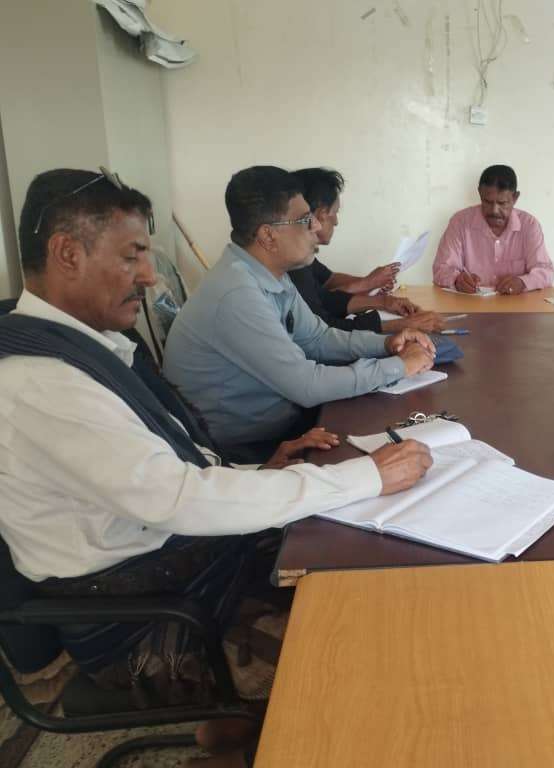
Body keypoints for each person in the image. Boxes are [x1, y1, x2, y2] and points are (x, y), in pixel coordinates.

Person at [0, 168, 433, 764]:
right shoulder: (41, 384)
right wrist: (366, 475)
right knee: (360, 652)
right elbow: (178, 498)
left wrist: (263, 475)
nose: (150, 276)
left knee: (371, 575)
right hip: (149, 621)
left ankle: (237, 733)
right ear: (67, 253)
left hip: (186, 568)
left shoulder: (85, 348)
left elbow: (167, 475)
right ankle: (243, 736)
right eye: (132, 256)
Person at [163, 166, 436, 461]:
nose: (317, 226)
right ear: (268, 236)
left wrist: (387, 344)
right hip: (246, 450)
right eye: (306, 220)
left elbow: (318, 339)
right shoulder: (236, 294)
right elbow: (307, 385)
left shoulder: (272, 275)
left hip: (284, 422)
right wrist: (399, 367)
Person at [289, 167, 444, 333]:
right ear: (321, 214)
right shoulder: (292, 263)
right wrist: (400, 325)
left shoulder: (302, 256)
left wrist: (382, 300)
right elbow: (324, 330)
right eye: (335, 212)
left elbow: (325, 296)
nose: (336, 222)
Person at [432, 164, 554, 294]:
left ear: (515, 198)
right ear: (480, 193)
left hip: (515, 304)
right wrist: (456, 279)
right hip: (470, 303)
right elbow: (441, 269)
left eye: (502, 203)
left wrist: (523, 282)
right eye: (488, 202)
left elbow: (545, 271)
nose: (494, 210)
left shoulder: (529, 225)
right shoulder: (460, 222)